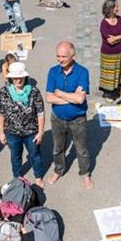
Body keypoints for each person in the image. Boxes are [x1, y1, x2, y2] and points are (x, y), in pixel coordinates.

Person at [46, 41, 92, 190]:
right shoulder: (53, 71)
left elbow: (80, 99)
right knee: (58, 148)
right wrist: (71, 97)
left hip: (78, 119)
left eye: (64, 56)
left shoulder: (82, 72)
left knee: (81, 149)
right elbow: (49, 98)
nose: (60, 60)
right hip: (57, 118)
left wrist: (59, 93)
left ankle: (85, 174)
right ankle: (58, 170)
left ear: (73, 56)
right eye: (58, 56)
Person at [0, 62, 46, 186]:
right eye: (15, 77)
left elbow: (40, 113)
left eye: (20, 77)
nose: (18, 80)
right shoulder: (4, 92)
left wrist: (40, 132)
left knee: (35, 155)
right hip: (12, 132)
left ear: (25, 77)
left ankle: (38, 176)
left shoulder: (34, 92)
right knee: (15, 156)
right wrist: (1, 133)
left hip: (31, 131)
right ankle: (17, 177)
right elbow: (0, 114)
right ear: (11, 78)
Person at [99, 0, 121, 101]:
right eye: (116, 6)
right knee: (110, 74)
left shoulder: (120, 19)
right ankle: (109, 94)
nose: (118, 8)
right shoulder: (104, 23)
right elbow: (110, 41)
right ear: (111, 9)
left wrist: (118, 36)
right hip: (109, 53)